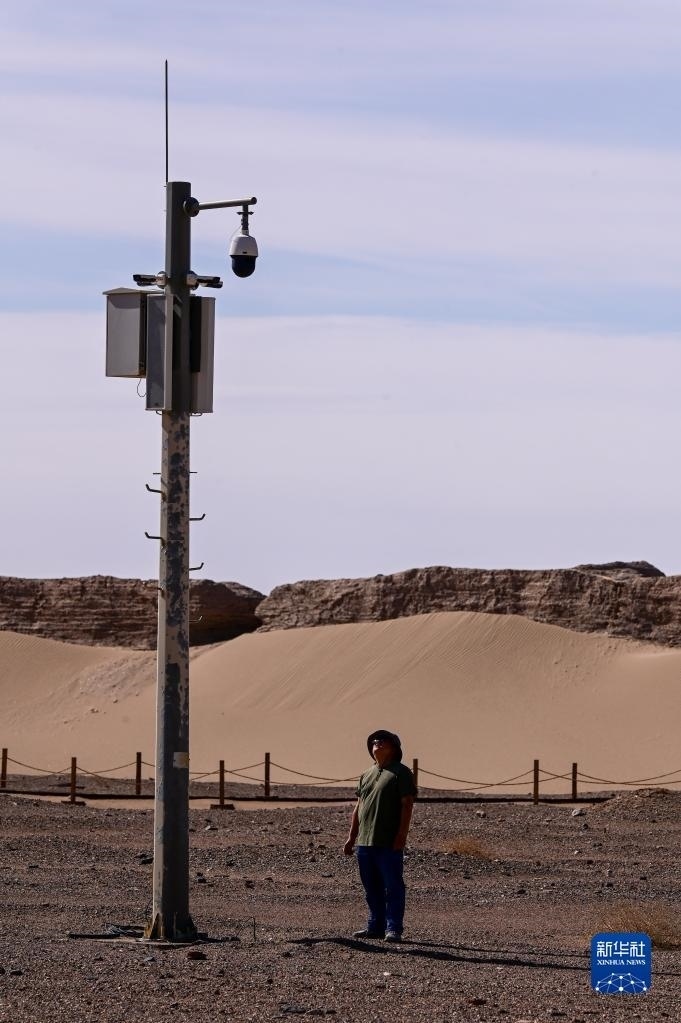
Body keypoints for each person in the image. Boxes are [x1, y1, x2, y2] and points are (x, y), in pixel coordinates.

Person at [343, 729, 417, 943]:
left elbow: (407, 804)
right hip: (365, 842)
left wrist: (402, 835)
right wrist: (351, 837)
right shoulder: (367, 774)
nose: (377, 742)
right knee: (371, 887)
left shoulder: (401, 772)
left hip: (388, 841)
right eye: (375, 741)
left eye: (383, 740)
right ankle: (375, 926)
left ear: (394, 748)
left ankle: (393, 928)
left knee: (393, 886)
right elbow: (359, 807)